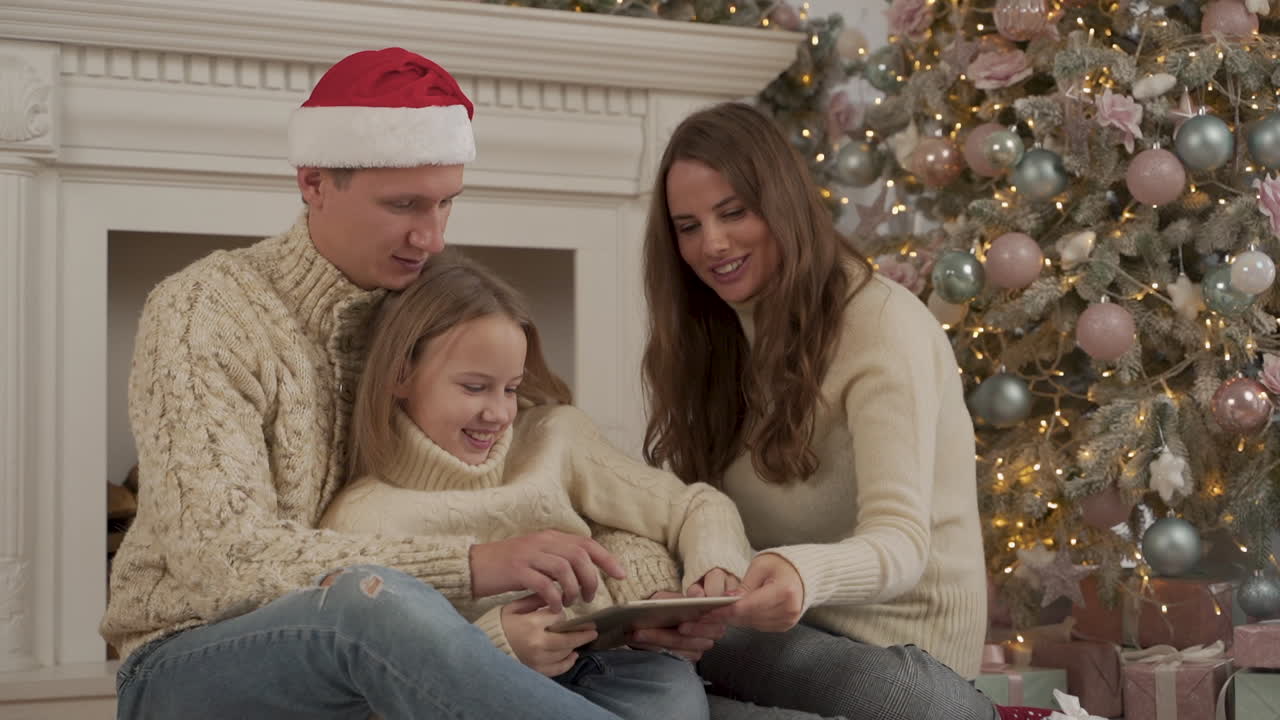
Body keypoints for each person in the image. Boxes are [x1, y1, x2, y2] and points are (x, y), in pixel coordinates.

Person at [102, 47, 677, 720]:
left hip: (403, 647)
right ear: (314, 182)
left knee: (655, 678)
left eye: (445, 205)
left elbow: (577, 485)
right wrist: (477, 564)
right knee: (369, 604)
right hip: (191, 659)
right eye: (403, 205)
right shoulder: (204, 311)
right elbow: (222, 561)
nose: (430, 237)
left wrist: (641, 591)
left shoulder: (429, 309)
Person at [636, 101, 999, 720]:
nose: (712, 244)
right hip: (775, 642)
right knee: (637, 628)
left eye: (733, 213)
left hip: (904, 661)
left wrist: (798, 574)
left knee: (934, 710)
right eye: (688, 226)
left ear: (781, 204)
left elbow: (902, 544)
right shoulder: (711, 339)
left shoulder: (882, 322)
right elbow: (695, 511)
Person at [318, 253, 758, 719]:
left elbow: (696, 505)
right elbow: (383, 676)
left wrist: (713, 572)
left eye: (510, 388)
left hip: (624, 667)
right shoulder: (360, 517)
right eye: (474, 387)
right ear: (399, 376)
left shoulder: (555, 437)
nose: (499, 413)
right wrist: (498, 649)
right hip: (496, 693)